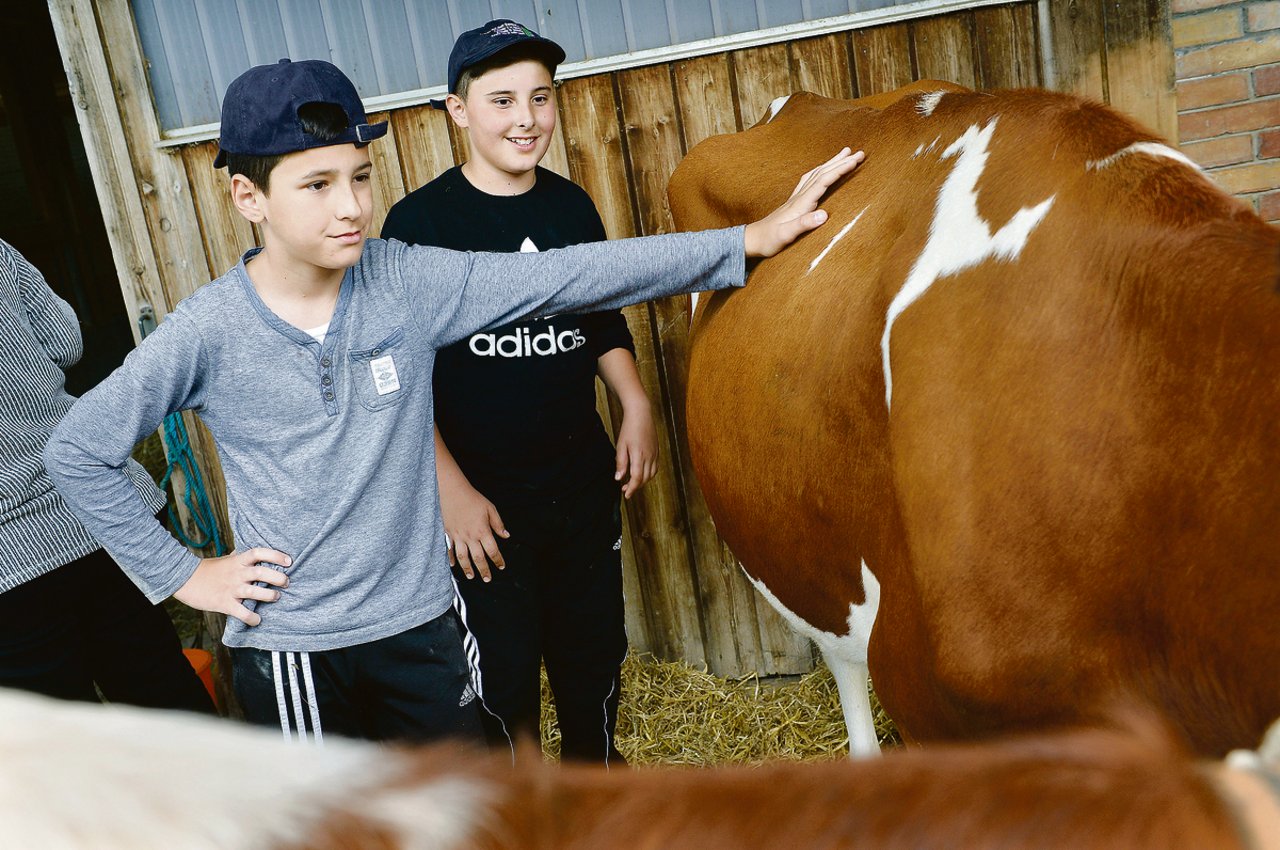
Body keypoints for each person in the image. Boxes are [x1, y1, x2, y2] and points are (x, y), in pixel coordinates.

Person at [44, 55, 863, 744]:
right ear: (247, 197)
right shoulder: (208, 331)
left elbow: (564, 275)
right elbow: (78, 448)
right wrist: (186, 575)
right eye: (317, 184)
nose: (351, 206)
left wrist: (745, 242)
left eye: (361, 178)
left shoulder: (404, 279)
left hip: (427, 629)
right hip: (297, 652)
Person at [381, 20, 653, 765]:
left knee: (592, 650)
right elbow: (400, 380)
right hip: (484, 507)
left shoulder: (570, 208)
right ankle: (524, 809)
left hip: (579, 486)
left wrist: (634, 401)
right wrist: (450, 491)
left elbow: (602, 318)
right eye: (501, 100)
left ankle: (593, 784)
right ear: (458, 111)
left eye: (540, 97)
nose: (525, 118)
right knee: (501, 673)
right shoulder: (418, 226)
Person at [0, 238, 214, 714]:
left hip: (9, 571)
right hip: (90, 513)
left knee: (58, 742)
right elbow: (64, 341)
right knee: (158, 688)